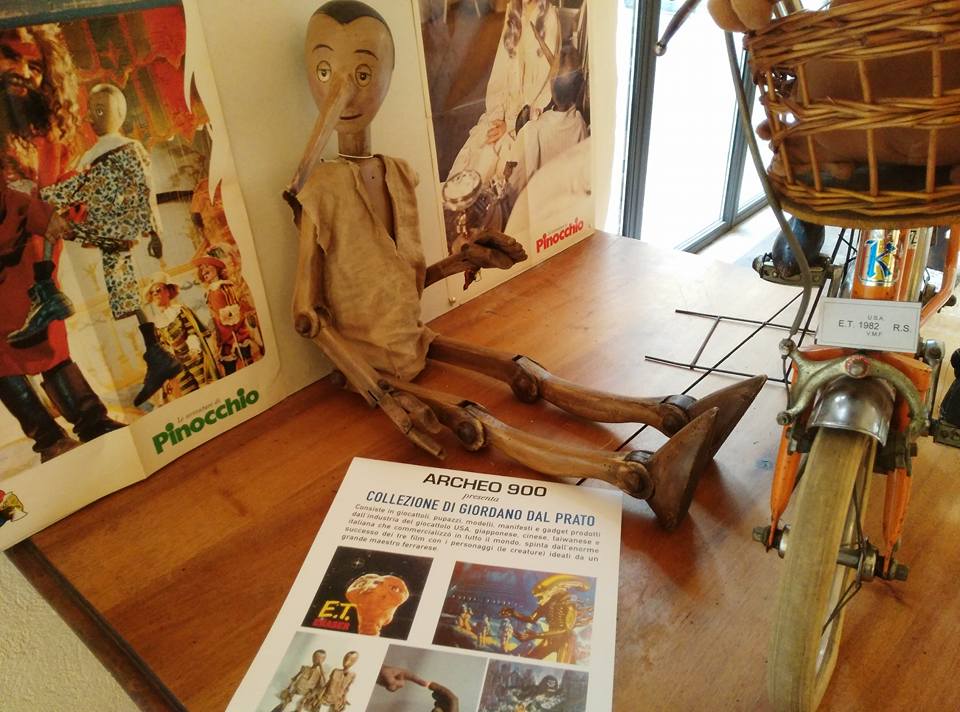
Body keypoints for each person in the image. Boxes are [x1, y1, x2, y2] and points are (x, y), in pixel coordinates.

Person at [12, 81, 182, 406]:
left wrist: (155, 231)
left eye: (97, 110)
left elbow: (129, 186)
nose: (91, 117)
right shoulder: (113, 152)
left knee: (46, 215)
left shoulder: (110, 153)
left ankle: (46, 290)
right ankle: (155, 351)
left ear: (112, 113)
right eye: (91, 111)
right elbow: (135, 187)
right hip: (116, 227)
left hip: (110, 222)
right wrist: (153, 231)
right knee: (123, 283)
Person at [0, 25, 123, 461]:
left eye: (35, 64)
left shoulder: (44, 128)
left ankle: (92, 421)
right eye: (11, 56)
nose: (25, 72)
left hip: (35, 264)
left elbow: (62, 182)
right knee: (3, 360)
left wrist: (84, 198)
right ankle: (49, 439)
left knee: (51, 343)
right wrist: (37, 213)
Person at [446, 0, 561, 185]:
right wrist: (497, 114)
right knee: (480, 148)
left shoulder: (548, 18)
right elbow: (500, 72)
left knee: (498, 163)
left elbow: (540, 88)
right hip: (507, 107)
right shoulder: (513, 10)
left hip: (528, 117)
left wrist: (509, 124)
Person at [143, 272, 219, 401]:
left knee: (206, 389)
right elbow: (162, 346)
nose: (155, 294)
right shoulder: (155, 323)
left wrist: (194, 349)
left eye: (158, 290)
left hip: (193, 357)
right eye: (152, 292)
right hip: (177, 365)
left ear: (168, 291)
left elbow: (192, 331)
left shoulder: (180, 310)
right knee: (190, 395)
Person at [193, 254, 257, 375]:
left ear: (216, 268)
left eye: (207, 267)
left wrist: (224, 335)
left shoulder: (220, 288)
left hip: (231, 334)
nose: (203, 271)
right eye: (201, 269)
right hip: (226, 332)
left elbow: (230, 312)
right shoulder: (216, 288)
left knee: (239, 363)